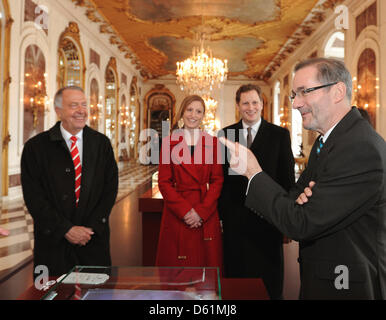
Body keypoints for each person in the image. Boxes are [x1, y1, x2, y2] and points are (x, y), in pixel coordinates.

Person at [220, 57, 386, 300]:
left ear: (338, 91)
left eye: (305, 92)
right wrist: (303, 201)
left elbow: (301, 221)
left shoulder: (359, 147)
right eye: (294, 95)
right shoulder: (326, 141)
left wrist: (253, 173)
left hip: (347, 285)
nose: (296, 103)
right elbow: (294, 195)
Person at [21, 86, 118, 277]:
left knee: (96, 294)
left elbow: (110, 189)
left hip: (93, 241)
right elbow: (34, 197)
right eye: (74, 105)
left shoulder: (101, 144)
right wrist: (65, 229)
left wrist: (89, 228)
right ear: (58, 111)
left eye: (84, 104)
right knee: (53, 294)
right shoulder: (36, 148)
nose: (81, 110)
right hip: (53, 244)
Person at [217, 84, 295, 299]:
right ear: (238, 106)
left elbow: (287, 178)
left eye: (254, 102)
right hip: (235, 218)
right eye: (245, 103)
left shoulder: (279, 135)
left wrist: (285, 218)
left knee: (268, 275)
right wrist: (222, 216)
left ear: (262, 104)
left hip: (268, 216)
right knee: (236, 274)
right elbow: (221, 179)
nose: (250, 107)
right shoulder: (227, 134)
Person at [156, 95, 223, 271]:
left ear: (203, 116)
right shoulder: (168, 143)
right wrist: (185, 212)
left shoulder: (213, 143)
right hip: (177, 212)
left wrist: (200, 212)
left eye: (199, 111)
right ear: (182, 112)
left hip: (205, 212)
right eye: (190, 110)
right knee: (176, 271)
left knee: (206, 272)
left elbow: (217, 181)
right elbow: (164, 182)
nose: (193, 115)